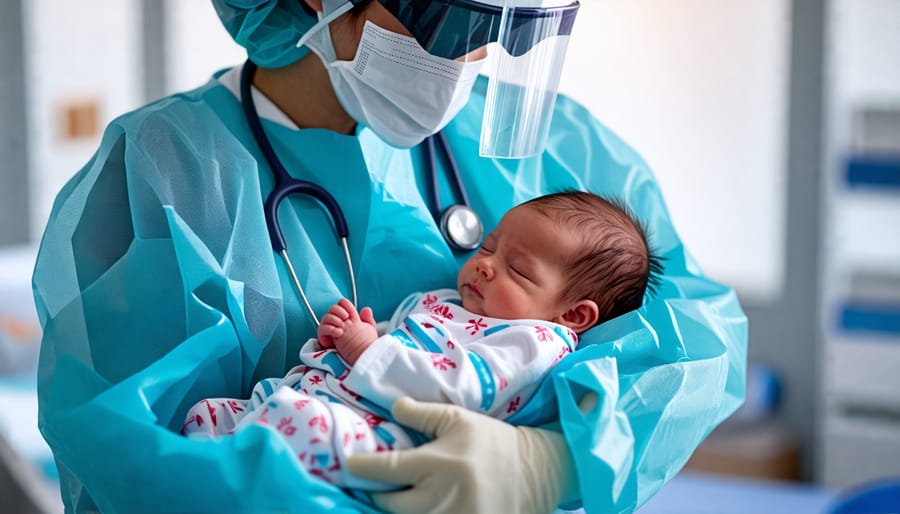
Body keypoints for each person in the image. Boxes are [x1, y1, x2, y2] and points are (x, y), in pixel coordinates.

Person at [31, 0, 748, 512]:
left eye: (498, 28)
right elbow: (134, 455)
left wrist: (551, 463)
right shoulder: (169, 170)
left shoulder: (554, 150)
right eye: (456, 19)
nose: (474, 56)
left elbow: (693, 337)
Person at [182, 191, 662, 491]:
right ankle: (207, 482)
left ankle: (235, 481)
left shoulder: (534, 341)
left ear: (573, 314)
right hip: (327, 395)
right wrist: (339, 340)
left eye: (516, 269)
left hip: (392, 437)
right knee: (207, 413)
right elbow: (388, 340)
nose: (485, 263)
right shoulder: (444, 301)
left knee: (294, 424)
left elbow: (461, 389)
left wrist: (366, 349)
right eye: (489, 245)